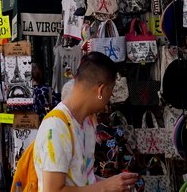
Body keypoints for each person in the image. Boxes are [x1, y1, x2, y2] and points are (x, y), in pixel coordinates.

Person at [33, 52, 138, 192]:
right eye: (111, 91)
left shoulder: (87, 123)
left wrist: (115, 184)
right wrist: (106, 186)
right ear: (100, 89)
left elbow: (81, 179)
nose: (110, 98)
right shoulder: (56, 127)